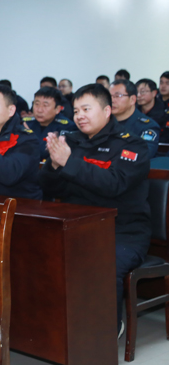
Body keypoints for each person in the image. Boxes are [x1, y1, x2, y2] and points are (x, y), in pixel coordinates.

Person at [39, 83, 150, 337]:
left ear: (107, 111)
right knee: (39, 254)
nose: (80, 116)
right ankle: (54, 328)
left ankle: (106, 330)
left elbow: (114, 185)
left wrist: (69, 162)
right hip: (77, 227)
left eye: (86, 109)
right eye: (76, 110)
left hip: (123, 231)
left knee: (102, 262)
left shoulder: (132, 145)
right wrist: (54, 166)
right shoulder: (71, 141)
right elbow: (48, 186)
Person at [110, 80, 160, 158]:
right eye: (109, 96)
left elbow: (143, 154)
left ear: (132, 99)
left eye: (118, 96)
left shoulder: (147, 126)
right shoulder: (102, 122)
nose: (112, 100)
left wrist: (112, 151)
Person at [23, 87, 77, 160]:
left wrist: (30, 139)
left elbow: (44, 153)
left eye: (45, 105)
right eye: (37, 104)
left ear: (57, 109)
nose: (39, 110)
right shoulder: (26, 124)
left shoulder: (68, 127)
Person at [136, 78, 169, 142]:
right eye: (136, 92)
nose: (138, 95)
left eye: (142, 92)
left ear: (154, 93)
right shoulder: (133, 110)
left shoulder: (164, 113)